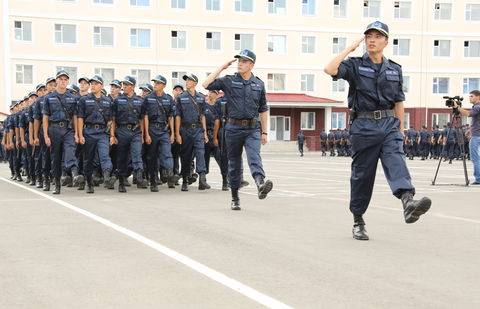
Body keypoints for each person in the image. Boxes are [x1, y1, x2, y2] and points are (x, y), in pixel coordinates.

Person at [324, 21, 431, 240]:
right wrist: (349, 49)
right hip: (363, 126)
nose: (372, 40)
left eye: (377, 36)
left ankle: (408, 202)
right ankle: (358, 219)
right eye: (368, 36)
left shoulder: (394, 68)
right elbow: (330, 69)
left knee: (396, 161)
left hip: (389, 125)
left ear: (386, 41)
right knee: (362, 175)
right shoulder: (354, 65)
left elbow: (399, 101)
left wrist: (400, 129)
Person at [203, 49, 273, 210]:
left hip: (252, 128)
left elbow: (263, 109)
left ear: (252, 65)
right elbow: (206, 84)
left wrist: (264, 132)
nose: (240, 63)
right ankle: (235, 197)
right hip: (233, 128)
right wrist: (222, 67)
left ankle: (260, 183)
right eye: (239, 61)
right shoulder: (229, 80)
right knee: (234, 164)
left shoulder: (259, 84)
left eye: (244, 61)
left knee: (254, 156)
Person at [42, 70, 83, 194]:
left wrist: (76, 133)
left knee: (70, 150)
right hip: (54, 129)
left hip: (67, 129)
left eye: (65, 79)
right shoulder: (49, 97)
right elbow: (45, 117)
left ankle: (75, 174)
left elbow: (75, 116)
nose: (63, 81)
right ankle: (57, 184)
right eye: (61, 79)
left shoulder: (72, 97)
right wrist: (46, 135)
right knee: (56, 158)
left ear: (68, 81)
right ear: (57, 81)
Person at [76, 75, 115, 193]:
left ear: (101, 86)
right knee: (88, 159)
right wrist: (80, 135)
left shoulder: (107, 101)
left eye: (95, 83)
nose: (92, 85)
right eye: (91, 83)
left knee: (104, 155)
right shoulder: (84, 100)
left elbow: (110, 120)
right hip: (88, 132)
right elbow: (80, 118)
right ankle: (89, 183)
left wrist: (112, 135)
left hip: (102, 133)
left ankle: (107, 177)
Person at [111, 76, 148, 193]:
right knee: (122, 157)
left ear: (132, 86)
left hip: (136, 131)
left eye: (127, 85)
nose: (124, 87)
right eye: (124, 85)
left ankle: (139, 177)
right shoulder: (117, 100)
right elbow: (113, 119)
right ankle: (121, 182)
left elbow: (142, 119)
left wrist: (143, 134)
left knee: (137, 154)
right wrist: (112, 135)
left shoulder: (140, 101)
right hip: (122, 131)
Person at [175, 74, 210, 192]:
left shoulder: (201, 97)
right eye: (186, 80)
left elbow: (203, 116)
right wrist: (177, 133)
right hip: (185, 130)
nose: (187, 82)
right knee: (186, 156)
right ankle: (185, 180)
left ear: (195, 83)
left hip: (198, 130)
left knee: (201, 153)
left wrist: (204, 133)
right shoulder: (181, 97)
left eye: (189, 80)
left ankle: (202, 179)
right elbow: (178, 116)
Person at [142, 74, 176, 191]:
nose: (155, 85)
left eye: (158, 83)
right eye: (154, 83)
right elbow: (145, 117)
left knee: (167, 154)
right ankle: (153, 181)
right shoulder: (148, 98)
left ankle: (169, 173)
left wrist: (172, 133)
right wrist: (146, 134)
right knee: (152, 157)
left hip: (164, 130)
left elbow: (171, 117)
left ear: (164, 85)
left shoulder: (169, 99)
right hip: (152, 129)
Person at [452, 90, 480, 184]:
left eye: (472, 96)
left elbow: (468, 114)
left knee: (475, 158)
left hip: (477, 136)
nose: (470, 98)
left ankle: (478, 179)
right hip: (476, 134)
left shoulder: (477, 106)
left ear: (478, 97)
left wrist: (458, 107)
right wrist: (470, 130)